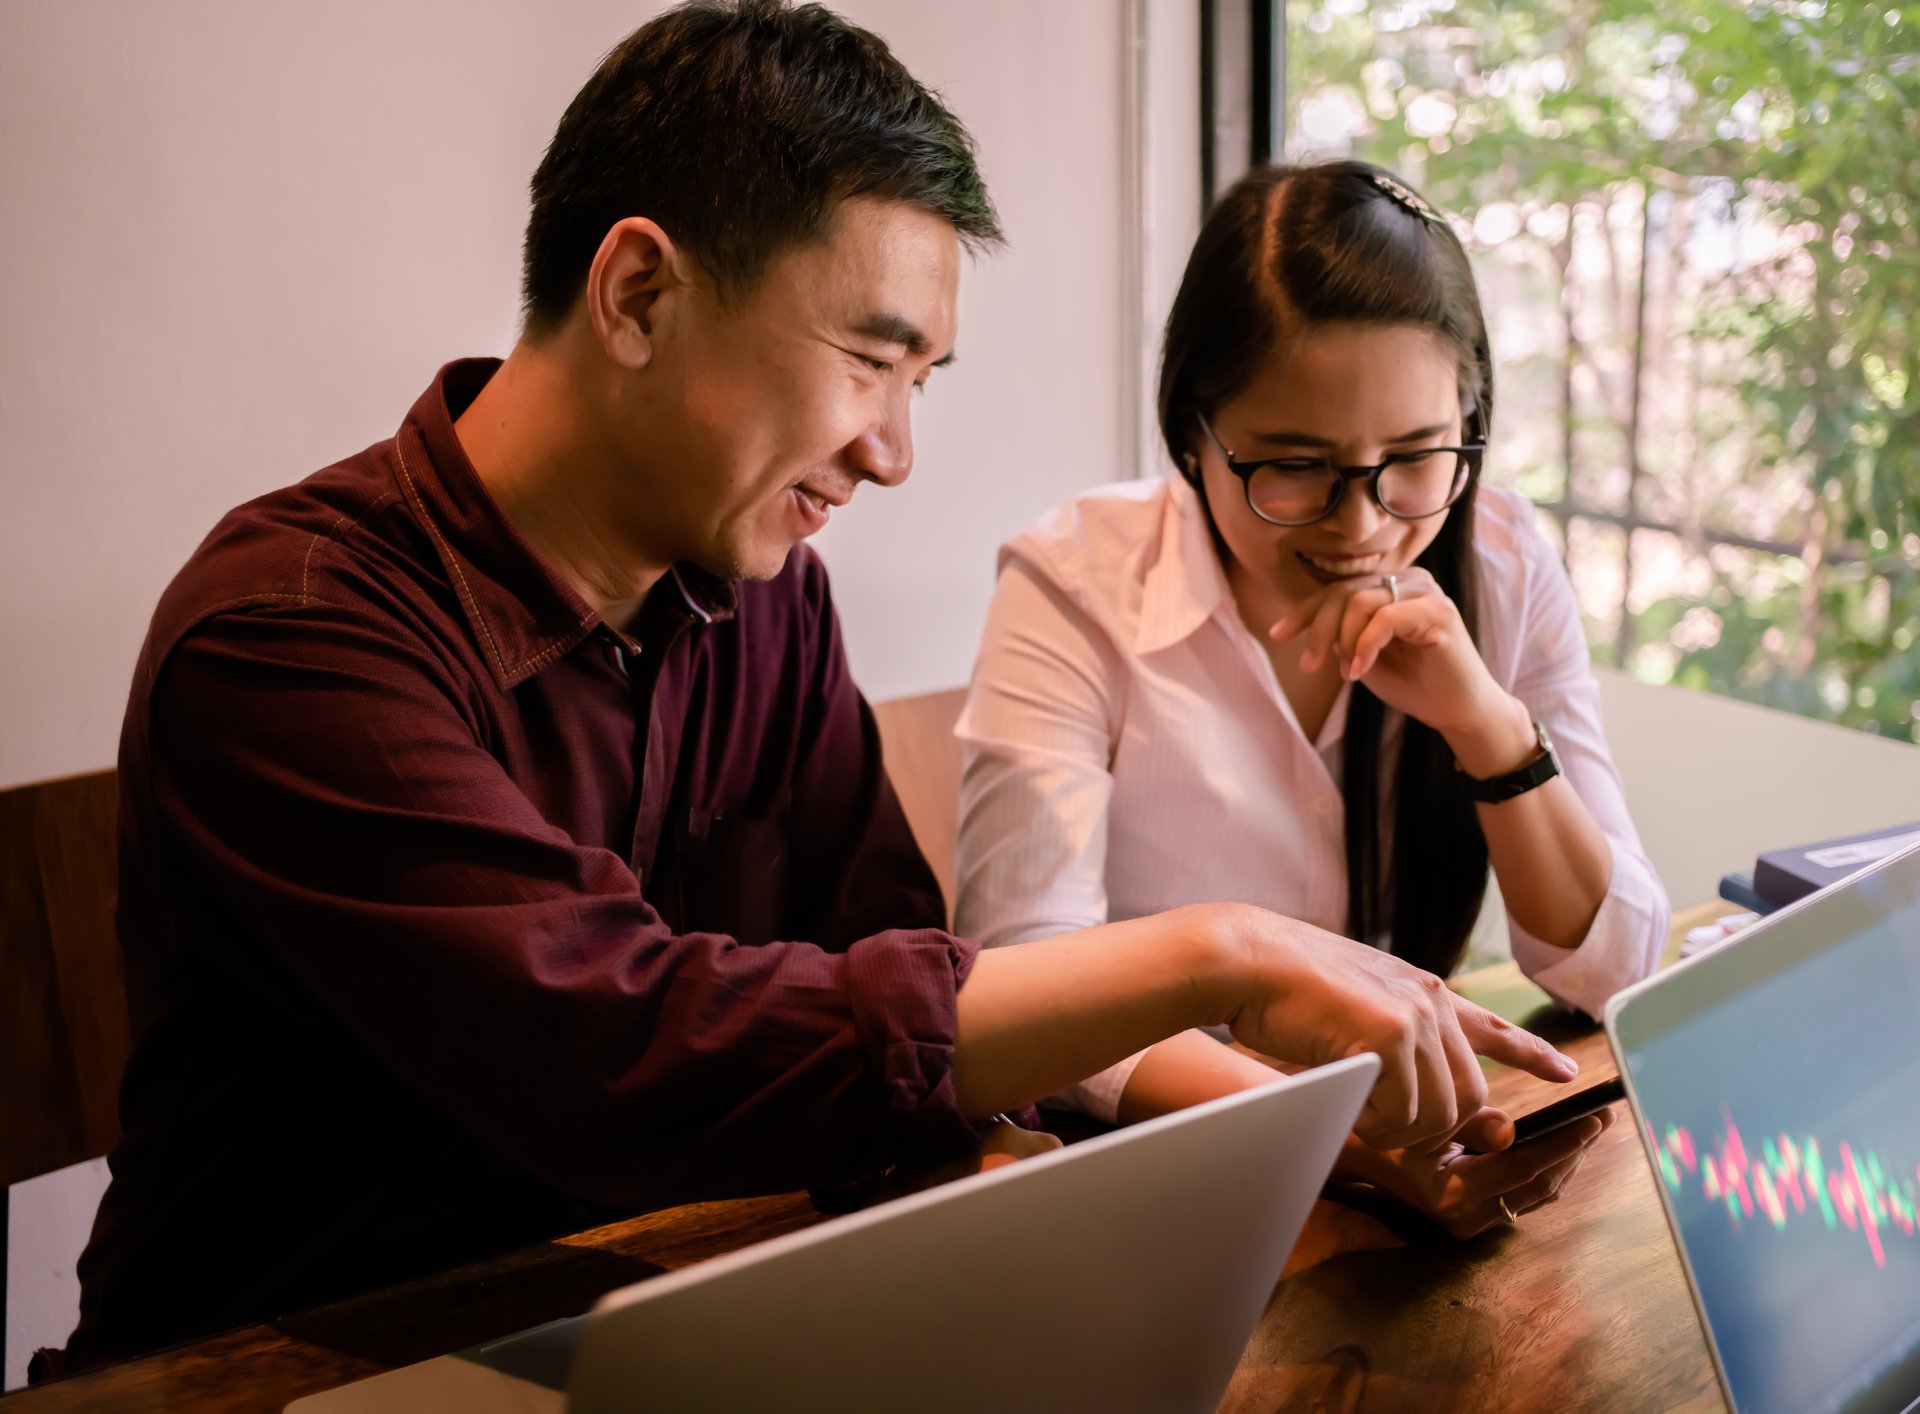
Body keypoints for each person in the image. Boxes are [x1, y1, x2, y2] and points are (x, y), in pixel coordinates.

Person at [44, 5, 1582, 1380]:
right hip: (297, 1365)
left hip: (667, 1317)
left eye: (926, 383)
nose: (894, 450)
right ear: (639, 292)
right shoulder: (293, 633)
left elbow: (890, 952)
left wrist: (1261, 1152)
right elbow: (619, 1048)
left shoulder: (759, 599)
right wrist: (1218, 955)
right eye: (871, 360)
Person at [956, 160, 1671, 1239]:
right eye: (1294, 468)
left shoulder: (1508, 562)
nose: (1362, 525)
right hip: (1172, 1196)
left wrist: (1480, 720)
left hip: (1420, 1158)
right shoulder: (1074, 584)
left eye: (1414, 460)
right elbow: (1033, 985)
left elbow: (1618, 967)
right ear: (1191, 437)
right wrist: (1330, 1138)